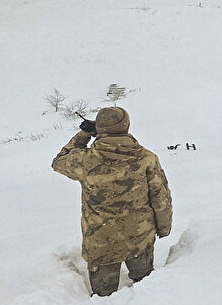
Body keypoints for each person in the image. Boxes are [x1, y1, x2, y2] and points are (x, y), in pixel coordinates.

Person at [51, 107, 172, 297]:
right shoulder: (146, 158)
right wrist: (164, 228)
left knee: (104, 297)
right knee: (148, 290)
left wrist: (83, 135)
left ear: (99, 128)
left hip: (101, 243)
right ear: (126, 126)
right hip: (140, 238)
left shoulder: (85, 161)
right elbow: (160, 197)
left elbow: (59, 161)